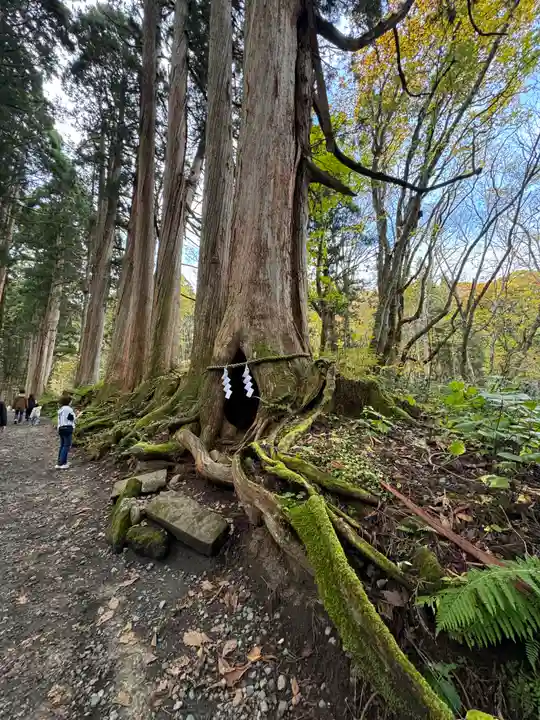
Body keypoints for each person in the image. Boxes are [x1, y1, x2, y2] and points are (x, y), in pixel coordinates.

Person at [56, 394, 76, 469]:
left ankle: (59, 462)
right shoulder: (68, 409)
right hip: (67, 428)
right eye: (71, 401)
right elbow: (71, 418)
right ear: (68, 402)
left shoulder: (60, 409)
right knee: (66, 445)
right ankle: (62, 463)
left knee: (62, 445)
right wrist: (77, 414)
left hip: (61, 428)